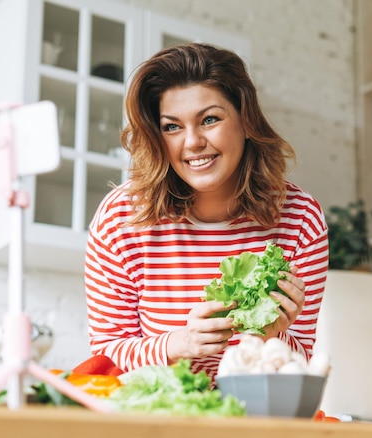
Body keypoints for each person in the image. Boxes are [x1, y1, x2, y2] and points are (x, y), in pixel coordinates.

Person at [84, 43, 328, 381]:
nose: (193, 142)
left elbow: (303, 365)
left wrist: (273, 335)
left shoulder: (300, 219)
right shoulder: (121, 219)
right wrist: (179, 344)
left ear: (245, 121)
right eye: (172, 127)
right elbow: (106, 358)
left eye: (209, 119)